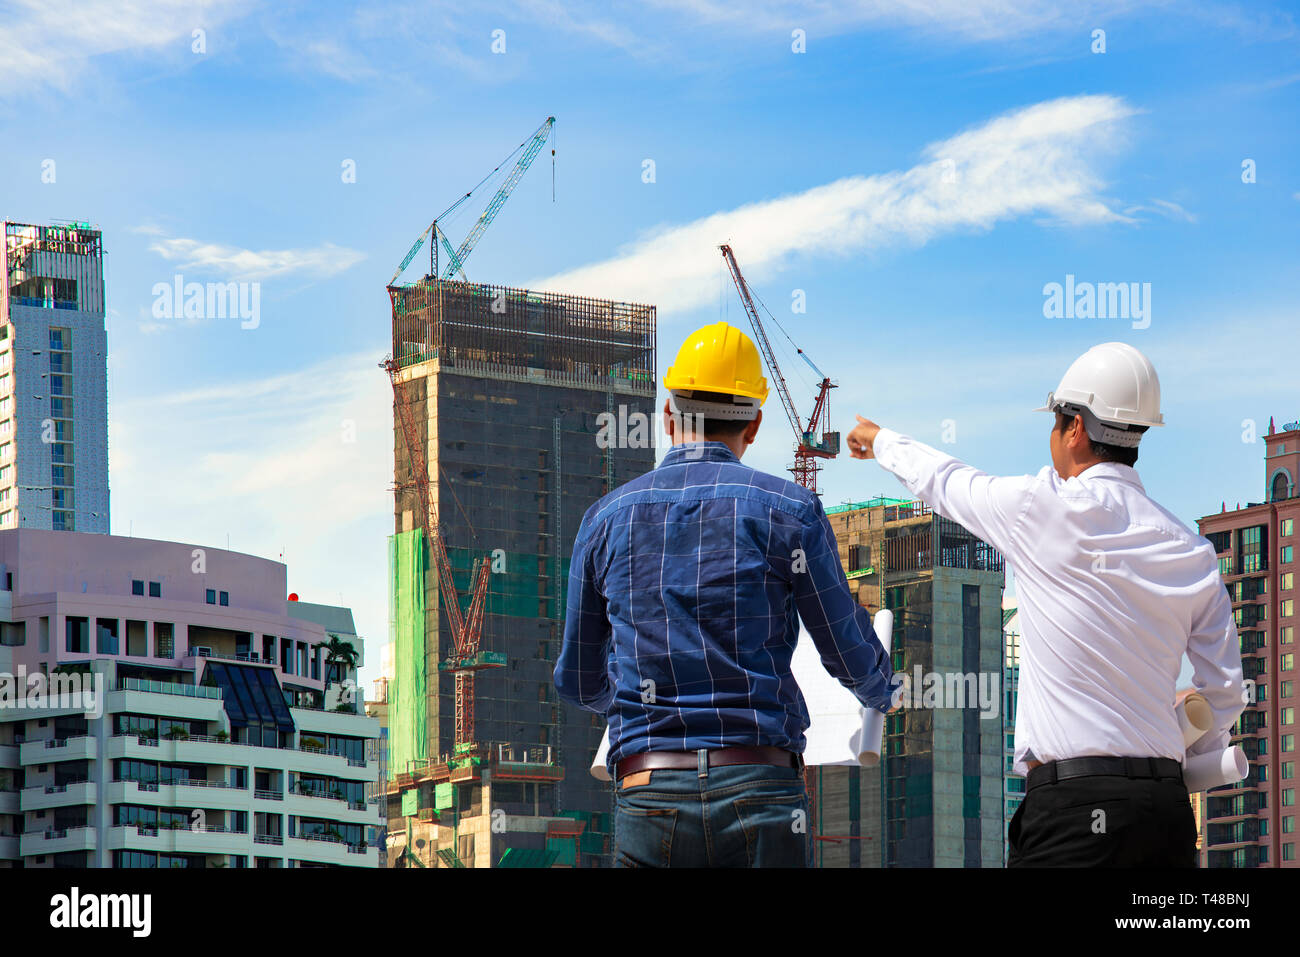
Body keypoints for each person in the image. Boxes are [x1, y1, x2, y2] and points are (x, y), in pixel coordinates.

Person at [846, 341, 1245, 867]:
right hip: (1165, 813)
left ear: (1075, 427)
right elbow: (1226, 692)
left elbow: (946, 481)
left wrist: (879, 440)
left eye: (1056, 422)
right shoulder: (1190, 550)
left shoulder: (1040, 510)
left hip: (1072, 813)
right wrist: (1192, 742)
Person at [555, 320, 897, 868]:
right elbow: (843, 648)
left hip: (649, 789)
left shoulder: (604, 520)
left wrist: (637, 712)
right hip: (760, 787)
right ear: (756, 424)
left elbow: (576, 679)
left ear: (669, 417)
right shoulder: (789, 512)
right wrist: (881, 689)